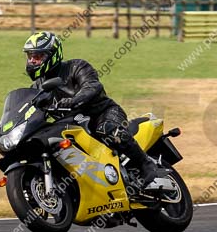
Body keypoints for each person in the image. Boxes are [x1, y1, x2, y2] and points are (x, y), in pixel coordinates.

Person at [23, 31, 158, 189]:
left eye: (38, 57)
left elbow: (93, 85)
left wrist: (75, 100)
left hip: (102, 113)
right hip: (73, 127)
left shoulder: (76, 67)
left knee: (108, 130)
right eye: (30, 56)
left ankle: (145, 164)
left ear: (52, 55)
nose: (32, 61)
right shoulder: (36, 89)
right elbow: (29, 113)